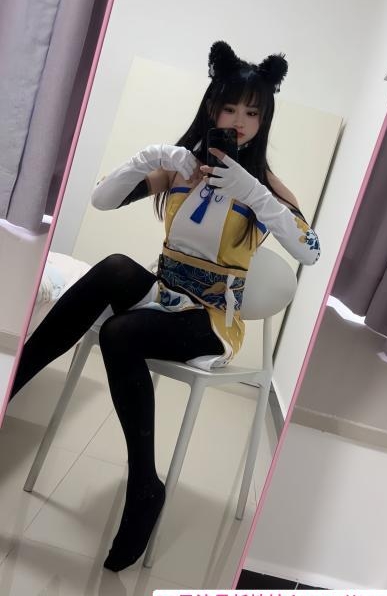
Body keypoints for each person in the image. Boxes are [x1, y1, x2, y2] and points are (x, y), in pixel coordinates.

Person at [9, 41, 320, 571]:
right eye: (229, 108)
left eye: (252, 112)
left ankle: (145, 486)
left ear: (264, 120)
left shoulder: (265, 189)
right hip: (165, 295)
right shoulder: (183, 168)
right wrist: (153, 157)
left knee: (120, 333)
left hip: (211, 321)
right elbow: (103, 199)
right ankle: (11, 389)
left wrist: (253, 191)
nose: (239, 121)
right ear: (211, 108)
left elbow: (309, 251)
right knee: (112, 267)